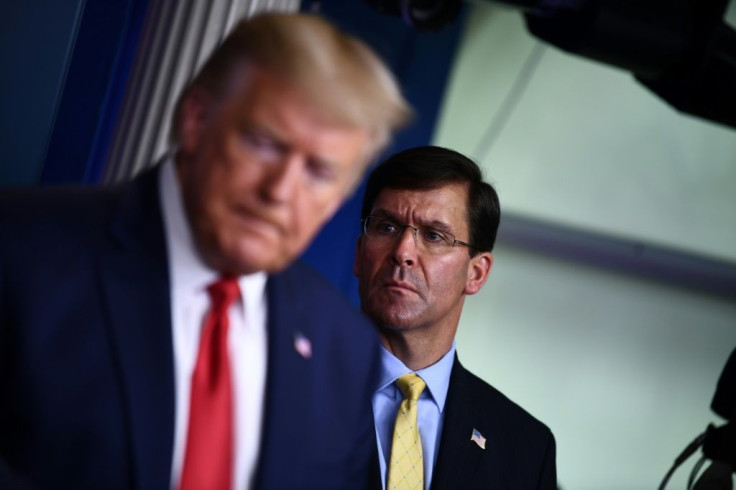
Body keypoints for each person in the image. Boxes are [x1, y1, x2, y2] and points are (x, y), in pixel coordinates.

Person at [0, 12, 411, 490]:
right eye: (264, 144)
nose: (279, 191)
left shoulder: (345, 352)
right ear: (196, 120)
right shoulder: (19, 253)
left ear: (340, 196)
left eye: (318, 172)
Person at [353, 146, 557, 489]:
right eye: (387, 227)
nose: (402, 252)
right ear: (360, 254)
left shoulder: (526, 447)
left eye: (434, 235)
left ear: (476, 273)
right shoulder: (285, 381)